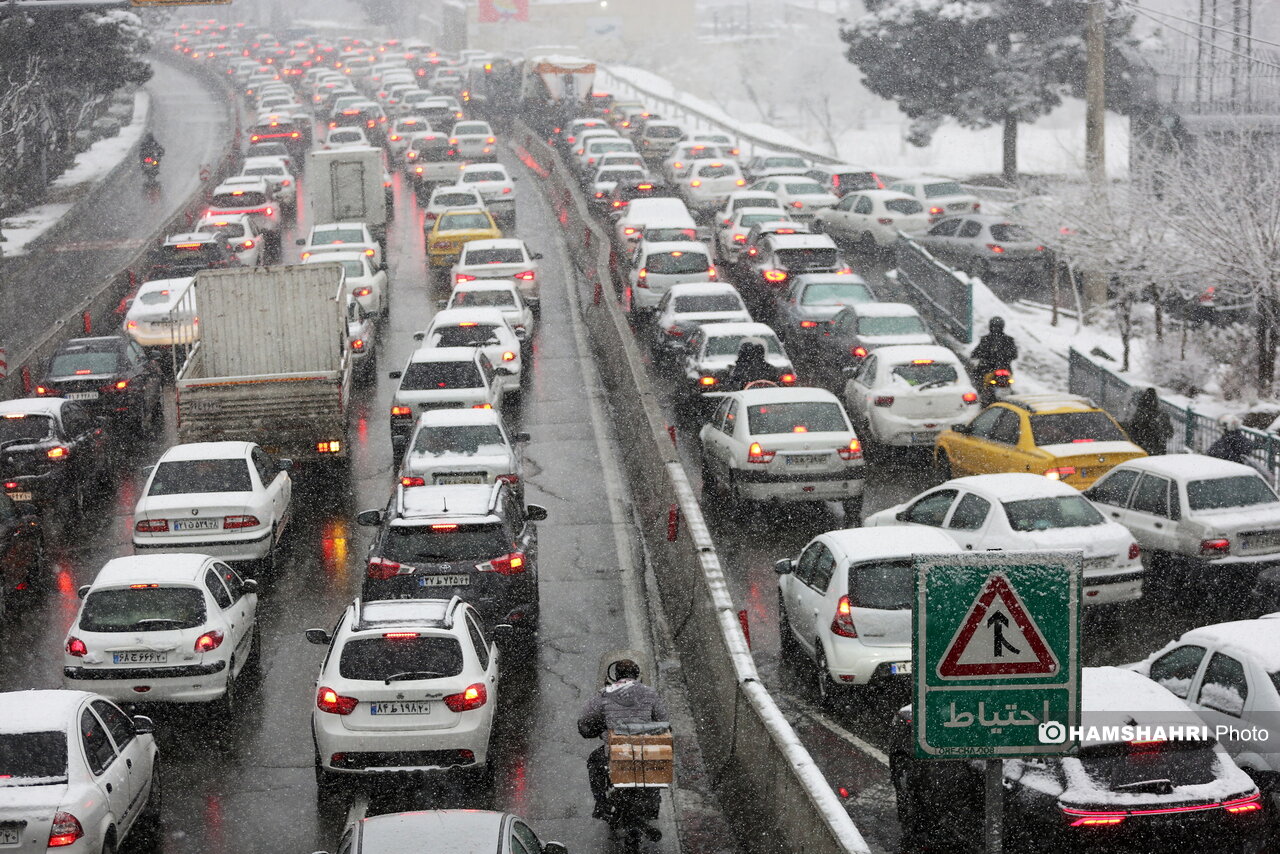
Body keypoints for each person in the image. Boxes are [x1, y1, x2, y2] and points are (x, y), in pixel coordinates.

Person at [577, 659, 668, 820]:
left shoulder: (605, 694)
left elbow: (585, 717)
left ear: (616, 675)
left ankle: (601, 804)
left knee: (594, 762)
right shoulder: (650, 693)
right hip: (643, 752)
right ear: (637, 674)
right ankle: (653, 803)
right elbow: (663, 720)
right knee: (654, 767)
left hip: (615, 753)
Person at [1124, 387, 1173, 456]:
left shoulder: (1140, 414)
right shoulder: (1161, 415)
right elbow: (1169, 433)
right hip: (1158, 450)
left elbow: (1132, 430)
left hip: (1142, 450)